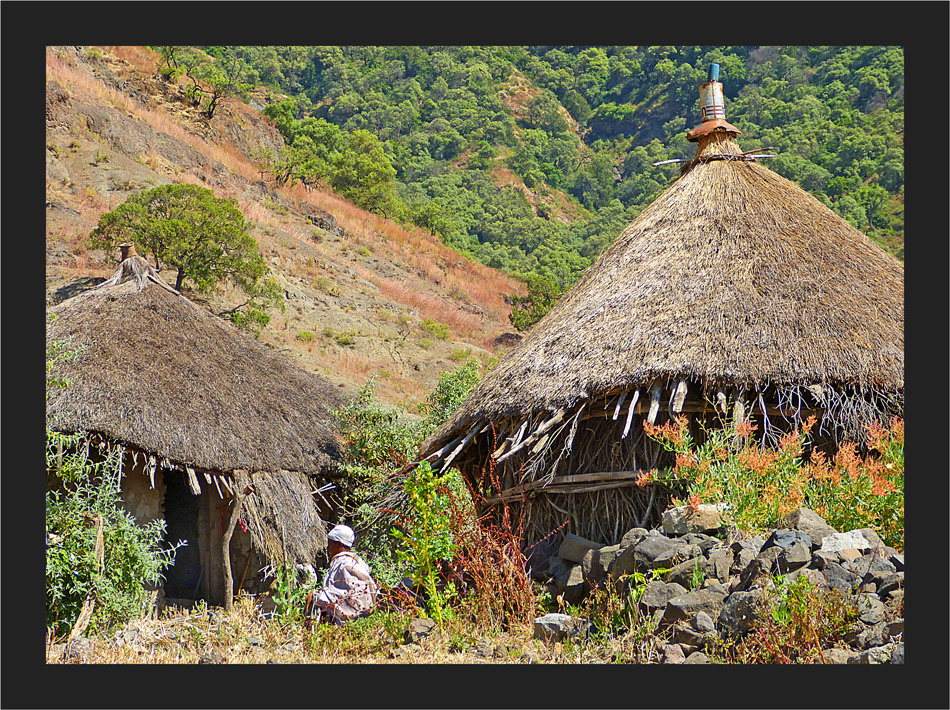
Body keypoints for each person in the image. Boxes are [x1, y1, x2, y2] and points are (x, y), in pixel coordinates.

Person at [305, 524, 378, 627]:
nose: (328, 548)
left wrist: (318, 596)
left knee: (315, 598)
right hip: (357, 621)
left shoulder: (344, 564)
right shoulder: (353, 561)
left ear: (339, 544)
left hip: (350, 620)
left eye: (330, 544)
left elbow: (353, 595)